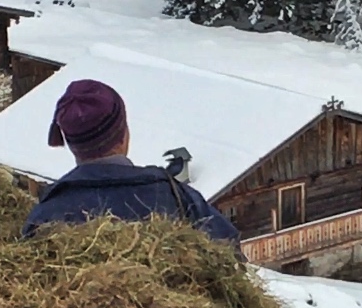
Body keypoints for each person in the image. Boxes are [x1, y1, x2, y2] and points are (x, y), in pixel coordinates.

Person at [21, 78, 244, 256]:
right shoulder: (175, 197)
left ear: (70, 144)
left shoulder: (45, 218)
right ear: (124, 134)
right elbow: (229, 257)